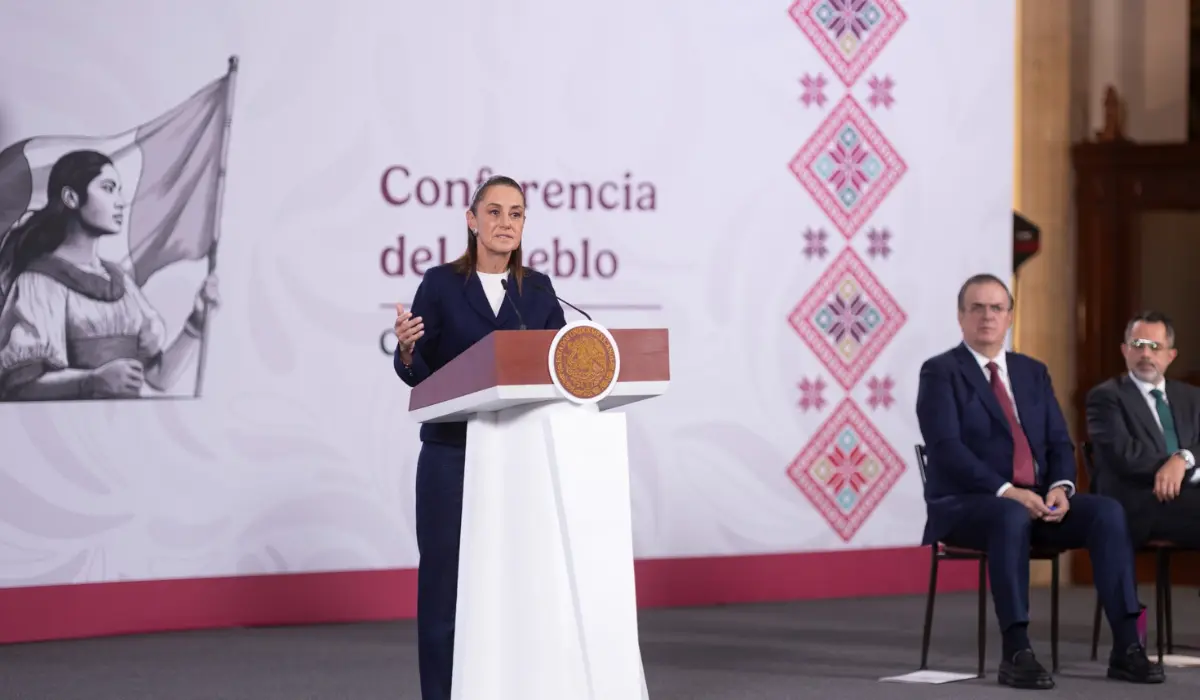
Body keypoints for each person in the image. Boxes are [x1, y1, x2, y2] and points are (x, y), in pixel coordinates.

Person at [915, 273, 1163, 689]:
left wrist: (1060, 488)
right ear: (960, 317)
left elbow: (1058, 443)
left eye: (996, 308)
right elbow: (946, 450)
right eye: (976, 307)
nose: (987, 316)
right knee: (1010, 516)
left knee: (1106, 512)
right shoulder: (941, 372)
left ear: (1010, 316)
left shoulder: (1031, 372)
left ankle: (1127, 646)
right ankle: (1017, 651)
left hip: (1037, 501)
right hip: (968, 504)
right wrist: (1009, 492)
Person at [391, 175, 567, 700]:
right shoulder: (442, 284)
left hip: (518, 457)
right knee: (446, 589)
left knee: (514, 586)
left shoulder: (536, 290)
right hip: (452, 457)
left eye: (515, 214)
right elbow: (419, 370)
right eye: (494, 212)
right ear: (472, 221)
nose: (505, 223)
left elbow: (560, 361)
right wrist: (404, 350)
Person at [0, 150, 218, 400]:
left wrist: (197, 321)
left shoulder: (121, 281)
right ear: (71, 197)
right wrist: (92, 381)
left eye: (118, 189)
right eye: (108, 188)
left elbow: (160, 377)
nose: (120, 201)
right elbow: (19, 387)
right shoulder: (39, 282)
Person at [1085, 310, 1200, 547]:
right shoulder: (1106, 397)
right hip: (1138, 501)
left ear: (1171, 355)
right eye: (1138, 345)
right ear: (1125, 350)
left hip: (1187, 498)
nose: (1145, 354)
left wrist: (1183, 459)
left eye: (1155, 347)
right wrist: (1181, 469)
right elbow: (1125, 455)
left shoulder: (1192, 397)